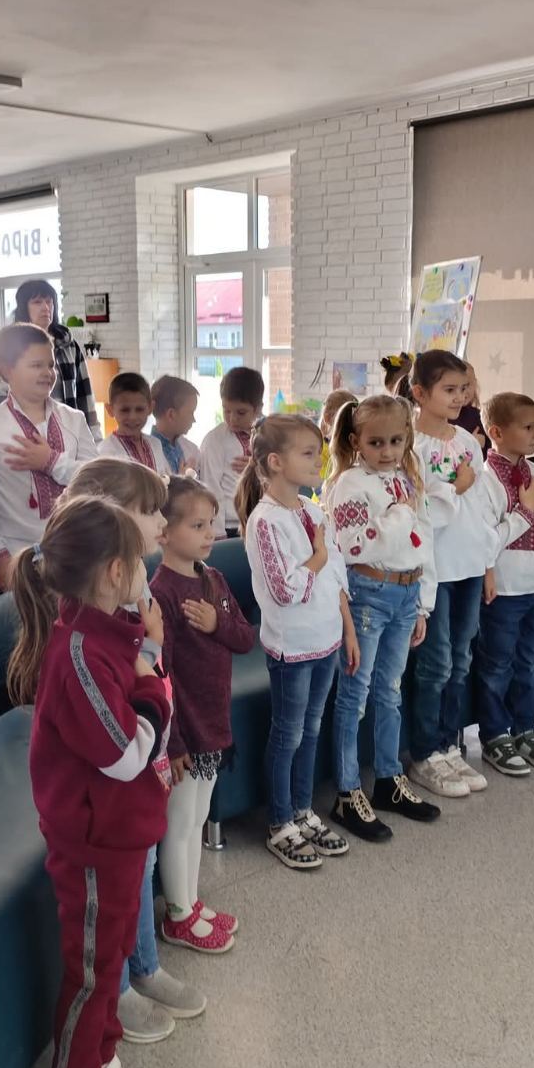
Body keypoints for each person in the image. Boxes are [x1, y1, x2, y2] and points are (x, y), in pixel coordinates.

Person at [7, 497, 173, 1068]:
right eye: (138, 560)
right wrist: (153, 684)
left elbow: (143, 731)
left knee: (113, 956)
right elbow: (125, 755)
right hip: (93, 846)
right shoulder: (79, 654)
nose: (146, 571)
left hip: (121, 832)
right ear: (113, 573)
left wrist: (149, 669)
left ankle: (101, 1059)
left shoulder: (109, 635)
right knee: (93, 976)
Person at [61, 459, 204, 1045]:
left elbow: (154, 672)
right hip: (109, 774)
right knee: (118, 884)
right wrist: (150, 658)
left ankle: (143, 966)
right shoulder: (89, 608)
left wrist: (168, 742)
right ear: (109, 515)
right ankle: (117, 987)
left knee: (142, 864)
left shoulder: (132, 584)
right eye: (149, 512)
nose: (161, 523)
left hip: (143, 756)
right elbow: (125, 689)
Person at [238, 414, 356, 870]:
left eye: (318, 452)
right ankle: (280, 821)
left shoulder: (311, 508)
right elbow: (285, 590)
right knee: (287, 734)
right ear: (275, 461)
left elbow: (336, 571)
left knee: (311, 728)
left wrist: (347, 627)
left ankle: (304, 810)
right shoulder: (264, 522)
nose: (318, 460)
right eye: (308, 453)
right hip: (292, 648)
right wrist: (317, 557)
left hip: (326, 639)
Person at [407, 351, 525, 798]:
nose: (460, 397)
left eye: (464, 389)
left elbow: (477, 512)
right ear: (420, 393)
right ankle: (424, 753)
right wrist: (453, 488)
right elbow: (419, 514)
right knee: (435, 664)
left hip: (470, 568)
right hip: (434, 573)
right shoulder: (411, 447)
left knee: (460, 661)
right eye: (449, 390)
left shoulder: (469, 443)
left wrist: (487, 564)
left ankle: (448, 744)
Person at [323, 394, 438, 841]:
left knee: (390, 691)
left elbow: (423, 537)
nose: (387, 451)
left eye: (396, 441)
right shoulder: (350, 484)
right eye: (376, 443)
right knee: (355, 695)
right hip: (369, 595)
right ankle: (347, 791)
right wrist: (397, 516)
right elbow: (353, 546)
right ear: (356, 441)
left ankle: (388, 779)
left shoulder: (406, 477)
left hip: (406, 593)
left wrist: (423, 602)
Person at [151, 477, 254, 951]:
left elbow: (244, 637)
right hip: (184, 732)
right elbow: (161, 672)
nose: (210, 532)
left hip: (213, 722)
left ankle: (190, 902)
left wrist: (217, 623)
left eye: (211, 523)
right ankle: (177, 916)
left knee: (196, 819)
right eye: (197, 525)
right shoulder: (161, 592)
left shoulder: (213, 580)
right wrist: (172, 743)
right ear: (164, 532)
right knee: (180, 822)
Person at [473, 393, 534, 777]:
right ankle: (495, 735)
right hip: (505, 591)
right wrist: (524, 510)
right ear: (496, 432)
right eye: (527, 427)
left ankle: (525, 730)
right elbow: (485, 541)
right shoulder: (483, 480)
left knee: (529, 662)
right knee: (497, 665)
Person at [0, 323, 98, 581]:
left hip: (76, 549)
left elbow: (95, 481)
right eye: (36, 365)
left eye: (51, 365)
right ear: (7, 369)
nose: (48, 373)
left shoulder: (74, 419)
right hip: (17, 557)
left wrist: (52, 461)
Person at [0, 279, 103, 440]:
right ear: (24, 307)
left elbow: (85, 393)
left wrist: (95, 436)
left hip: (67, 433)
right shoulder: (9, 345)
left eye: (49, 301)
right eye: (37, 302)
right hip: (21, 436)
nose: (46, 307)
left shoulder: (68, 344)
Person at [197, 366, 263, 539]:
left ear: (258, 408)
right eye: (226, 410)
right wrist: (217, 533)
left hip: (263, 520)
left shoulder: (269, 437)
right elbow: (211, 488)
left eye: (241, 412)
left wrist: (258, 468)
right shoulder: (214, 440)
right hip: (229, 527)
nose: (232, 418)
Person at [97, 373, 170, 475]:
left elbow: (167, 479)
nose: (132, 417)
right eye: (125, 410)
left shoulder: (155, 445)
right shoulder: (105, 451)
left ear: (150, 408)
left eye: (139, 409)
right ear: (110, 410)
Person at [149, 375, 201, 476]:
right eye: (191, 412)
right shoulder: (146, 454)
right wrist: (182, 480)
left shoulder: (192, 450)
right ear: (171, 414)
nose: (193, 420)